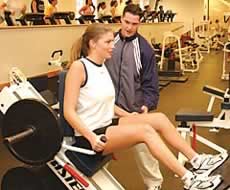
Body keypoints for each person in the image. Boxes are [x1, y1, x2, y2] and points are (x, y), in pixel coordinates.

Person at [65, 23, 228, 190]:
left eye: (112, 42)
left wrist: (129, 116)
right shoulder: (79, 67)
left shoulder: (102, 66)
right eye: (108, 42)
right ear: (93, 43)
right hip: (91, 135)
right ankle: (190, 179)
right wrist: (91, 138)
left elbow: (108, 104)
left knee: (159, 119)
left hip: (107, 124)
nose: (113, 46)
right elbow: (68, 111)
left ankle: (197, 160)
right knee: (146, 131)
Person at [105, 4, 162, 190]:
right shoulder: (108, 42)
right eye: (126, 22)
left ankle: (155, 185)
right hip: (108, 109)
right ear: (120, 19)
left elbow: (151, 83)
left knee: (146, 149)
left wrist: (146, 105)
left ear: (140, 24)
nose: (129, 27)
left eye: (134, 24)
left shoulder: (144, 49)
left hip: (133, 111)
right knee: (97, 150)